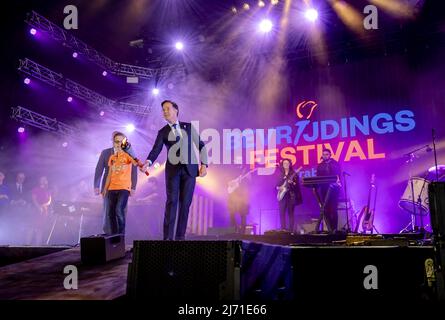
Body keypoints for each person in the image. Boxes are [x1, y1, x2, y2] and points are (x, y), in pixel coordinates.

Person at [142, 100, 208, 240]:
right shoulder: (163, 132)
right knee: (172, 202)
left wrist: (204, 165)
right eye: (163, 110)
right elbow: (156, 150)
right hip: (173, 172)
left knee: (185, 204)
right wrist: (148, 162)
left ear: (176, 110)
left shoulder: (189, 127)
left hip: (190, 171)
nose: (164, 111)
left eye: (167, 108)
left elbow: (201, 146)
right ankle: (167, 239)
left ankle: (180, 238)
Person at [94, 131, 138, 235]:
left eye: (122, 141)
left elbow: (134, 170)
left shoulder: (129, 154)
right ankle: (110, 236)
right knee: (108, 212)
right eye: (117, 141)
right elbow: (99, 169)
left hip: (123, 187)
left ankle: (120, 236)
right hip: (108, 187)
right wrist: (96, 186)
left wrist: (133, 187)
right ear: (113, 142)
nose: (119, 144)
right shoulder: (105, 153)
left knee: (120, 211)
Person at [316, 149, 341, 233]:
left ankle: (335, 228)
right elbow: (318, 177)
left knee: (333, 209)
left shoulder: (335, 163)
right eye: (323, 154)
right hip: (324, 189)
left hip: (334, 189)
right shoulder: (320, 165)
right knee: (325, 209)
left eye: (327, 154)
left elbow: (338, 174)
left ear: (330, 155)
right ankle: (329, 228)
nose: (325, 156)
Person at [276, 159, 302, 232]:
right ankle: (283, 229)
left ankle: (291, 230)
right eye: (284, 163)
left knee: (290, 213)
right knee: (282, 213)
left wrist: (292, 183)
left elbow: (297, 186)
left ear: (290, 164)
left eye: (287, 163)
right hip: (282, 195)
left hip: (291, 195)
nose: (286, 164)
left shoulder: (294, 173)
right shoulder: (280, 174)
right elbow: (275, 185)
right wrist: (278, 187)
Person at [227, 165, 251, 234]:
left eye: (244, 169)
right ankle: (235, 229)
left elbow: (249, 184)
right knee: (232, 214)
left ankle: (242, 232)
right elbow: (228, 183)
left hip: (242, 199)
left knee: (243, 215)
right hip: (233, 198)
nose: (242, 170)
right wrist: (234, 183)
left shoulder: (247, 176)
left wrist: (247, 178)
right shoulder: (233, 173)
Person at [30, 176, 52, 244]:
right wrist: (38, 207)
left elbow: (50, 201)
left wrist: (43, 206)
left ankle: (38, 244)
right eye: (42, 179)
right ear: (39, 181)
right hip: (36, 210)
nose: (44, 181)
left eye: (45, 179)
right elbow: (33, 199)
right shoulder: (36, 189)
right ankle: (27, 244)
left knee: (40, 228)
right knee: (32, 227)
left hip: (44, 211)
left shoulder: (48, 190)